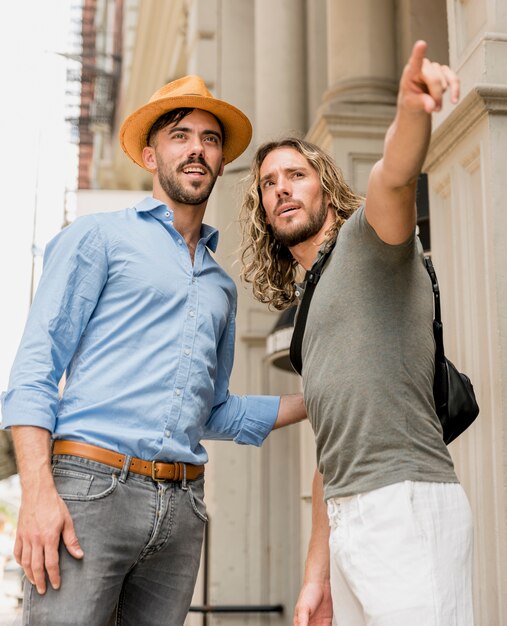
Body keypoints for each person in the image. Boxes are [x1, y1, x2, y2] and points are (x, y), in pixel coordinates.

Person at [0, 75, 306, 626]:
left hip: (182, 510)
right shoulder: (99, 238)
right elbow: (35, 372)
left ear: (219, 161)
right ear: (150, 155)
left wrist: (318, 399)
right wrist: (39, 495)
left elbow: (213, 410)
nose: (197, 148)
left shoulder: (220, 287)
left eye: (210, 139)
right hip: (88, 492)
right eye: (180, 135)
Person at [240, 41, 474, 625]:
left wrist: (412, 110)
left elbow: (394, 177)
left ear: (325, 185)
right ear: (263, 208)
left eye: (297, 174)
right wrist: (316, 576)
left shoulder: (368, 243)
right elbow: (331, 454)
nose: (283, 188)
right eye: (270, 183)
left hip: (405, 506)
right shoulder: (309, 305)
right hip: (351, 522)